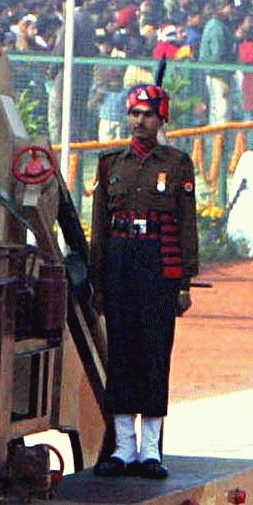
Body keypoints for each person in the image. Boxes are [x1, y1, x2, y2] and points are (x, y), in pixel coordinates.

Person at [88, 81, 197, 478]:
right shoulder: (110, 164)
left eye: (148, 115)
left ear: (161, 119)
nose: (140, 121)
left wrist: (184, 280)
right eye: (134, 114)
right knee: (122, 352)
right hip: (120, 260)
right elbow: (100, 225)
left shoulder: (176, 164)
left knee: (153, 352)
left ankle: (151, 449)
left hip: (157, 262)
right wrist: (97, 279)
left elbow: (186, 224)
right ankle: (123, 448)